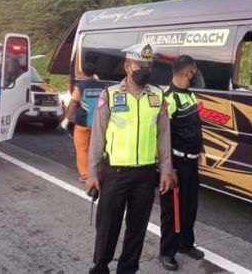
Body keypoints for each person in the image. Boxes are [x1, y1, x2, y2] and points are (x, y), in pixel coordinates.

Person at [85, 43, 177, 274]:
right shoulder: (111, 95)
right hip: (115, 172)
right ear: (127, 66)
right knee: (108, 227)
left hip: (145, 174)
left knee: (137, 229)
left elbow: (163, 135)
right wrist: (92, 173)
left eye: (148, 65)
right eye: (139, 64)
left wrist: (166, 169)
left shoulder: (157, 96)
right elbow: (97, 137)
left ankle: (127, 270)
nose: (144, 69)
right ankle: (100, 268)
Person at [159, 55, 205, 271]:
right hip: (177, 163)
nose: (196, 75)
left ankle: (186, 244)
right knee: (172, 210)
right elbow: (163, 137)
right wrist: (169, 168)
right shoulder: (169, 99)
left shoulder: (191, 96)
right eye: (195, 71)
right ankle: (167, 251)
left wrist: (200, 150)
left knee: (190, 207)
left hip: (192, 163)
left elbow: (194, 127)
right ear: (189, 72)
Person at [62, 61, 103, 181]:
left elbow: (73, 103)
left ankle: (86, 175)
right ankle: (97, 172)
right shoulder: (102, 87)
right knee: (96, 148)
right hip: (98, 124)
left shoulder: (80, 87)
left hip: (82, 124)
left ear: (83, 72)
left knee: (82, 149)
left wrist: (67, 119)